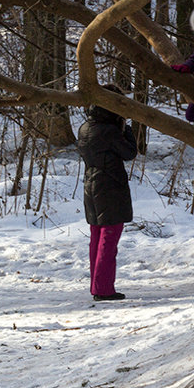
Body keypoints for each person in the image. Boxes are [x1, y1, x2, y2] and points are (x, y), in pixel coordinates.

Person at [76, 91, 138, 301]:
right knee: (108, 239)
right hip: (110, 186)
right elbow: (129, 153)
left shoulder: (85, 127)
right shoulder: (109, 131)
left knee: (97, 237)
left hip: (91, 185)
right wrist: (127, 130)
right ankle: (103, 289)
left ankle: (98, 285)